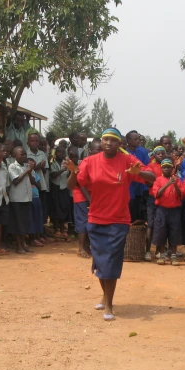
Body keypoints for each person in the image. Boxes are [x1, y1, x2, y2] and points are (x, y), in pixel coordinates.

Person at [67, 128, 156, 321]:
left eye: (113, 140)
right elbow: (72, 185)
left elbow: (152, 178)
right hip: (96, 219)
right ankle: (105, 295)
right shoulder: (90, 161)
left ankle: (109, 304)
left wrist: (138, 171)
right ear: (101, 141)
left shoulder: (127, 160)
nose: (109, 143)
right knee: (100, 262)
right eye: (106, 139)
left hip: (118, 220)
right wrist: (74, 172)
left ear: (119, 144)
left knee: (112, 262)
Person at [151, 158, 183, 266]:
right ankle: (162, 254)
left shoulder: (177, 179)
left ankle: (173, 256)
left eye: (168, 167)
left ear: (172, 168)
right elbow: (157, 194)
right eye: (164, 167)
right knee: (161, 232)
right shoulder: (158, 180)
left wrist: (174, 184)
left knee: (174, 232)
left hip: (174, 210)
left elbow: (180, 195)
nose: (166, 169)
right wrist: (168, 183)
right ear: (161, 169)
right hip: (162, 210)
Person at [8, 146, 34, 254]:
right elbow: (15, 181)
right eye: (21, 154)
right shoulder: (12, 166)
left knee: (25, 223)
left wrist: (29, 171)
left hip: (26, 198)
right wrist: (26, 171)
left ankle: (24, 244)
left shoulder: (26, 166)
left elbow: (32, 181)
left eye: (25, 154)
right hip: (17, 199)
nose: (24, 156)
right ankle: (18, 246)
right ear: (15, 155)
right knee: (18, 223)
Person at [69, 145, 92, 258]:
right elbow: (80, 184)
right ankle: (81, 248)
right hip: (81, 196)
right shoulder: (84, 164)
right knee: (83, 221)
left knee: (90, 221)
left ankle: (87, 247)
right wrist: (90, 200)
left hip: (90, 195)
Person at [144, 145, 166, 261]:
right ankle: (147, 251)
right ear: (154, 155)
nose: (161, 155)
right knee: (150, 225)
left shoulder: (167, 167)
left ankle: (158, 251)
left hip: (164, 200)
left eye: (163, 153)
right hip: (152, 198)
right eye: (159, 153)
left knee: (161, 225)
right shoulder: (150, 167)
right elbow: (148, 183)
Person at [126, 130, 150, 222]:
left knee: (138, 210)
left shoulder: (142, 151)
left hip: (140, 186)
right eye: (136, 139)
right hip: (129, 186)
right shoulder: (124, 153)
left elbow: (147, 166)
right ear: (129, 141)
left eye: (138, 139)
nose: (138, 141)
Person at [50, 147, 72, 239]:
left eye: (62, 152)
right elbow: (53, 174)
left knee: (64, 208)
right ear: (56, 153)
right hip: (55, 188)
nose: (60, 154)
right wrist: (63, 169)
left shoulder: (66, 163)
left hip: (64, 187)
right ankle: (56, 229)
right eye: (59, 152)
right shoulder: (52, 162)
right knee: (56, 209)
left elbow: (69, 174)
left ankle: (63, 229)